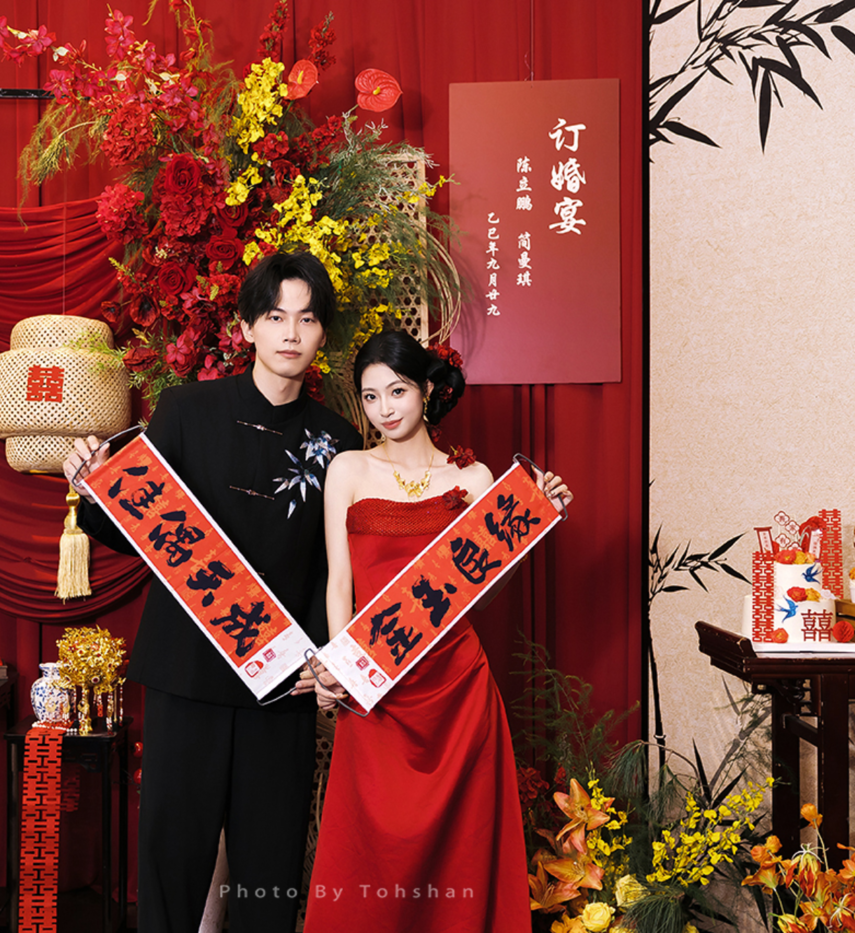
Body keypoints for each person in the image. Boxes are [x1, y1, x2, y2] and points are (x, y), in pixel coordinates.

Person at [63, 252, 362, 933]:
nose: (291, 333)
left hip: (281, 683)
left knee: (271, 873)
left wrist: (323, 655)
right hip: (186, 674)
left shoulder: (339, 441)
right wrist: (95, 486)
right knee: (171, 861)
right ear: (247, 327)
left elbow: (333, 568)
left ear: (322, 333)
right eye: (276, 316)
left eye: (307, 319)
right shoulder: (186, 409)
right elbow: (146, 529)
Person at [303, 329, 571, 932]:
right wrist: (343, 670)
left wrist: (534, 520)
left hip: (457, 691)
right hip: (375, 686)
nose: (384, 409)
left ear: (427, 389)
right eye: (370, 397)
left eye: (397, 391)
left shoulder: (473, 480)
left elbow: (483, 593)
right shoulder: (347, 470)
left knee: (461, 856)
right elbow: (338, 584)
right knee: (371, 857)